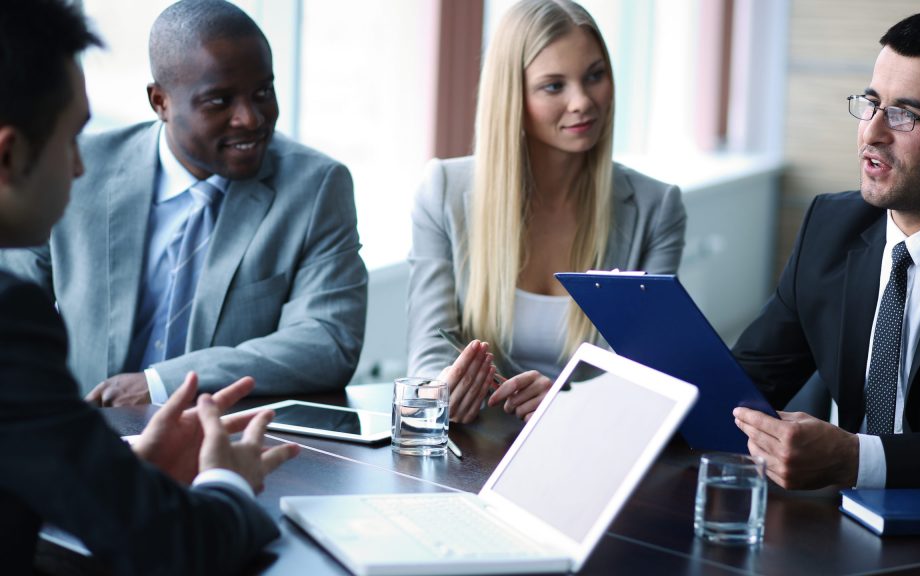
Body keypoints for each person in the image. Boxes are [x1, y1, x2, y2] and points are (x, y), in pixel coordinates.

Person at [0, 0, 299, 573]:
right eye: (71, 142)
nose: (81, 169)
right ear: (10, 155)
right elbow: (173, 545)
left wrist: (119, 471)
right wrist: (226, 481)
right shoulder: (8, 319)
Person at [0, 0, 367, 407]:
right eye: (220, 101)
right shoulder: (73, 169)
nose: (251, 118)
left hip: (226, 442)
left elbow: (327, 341)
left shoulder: (316, 185)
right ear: (160, 102)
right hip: (82, 435)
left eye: (263, 92)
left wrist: (160, 383)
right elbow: (12, 314)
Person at [732, 9, 920, 492]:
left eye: (904, 114)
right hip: (834, 526)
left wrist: (855, 459)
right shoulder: (830, 226)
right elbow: (745, 386)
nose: (872, 132)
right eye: (870, 102)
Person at [406, 0, 686, 423]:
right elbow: (428, 353)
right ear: (512, 96)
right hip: (480, 443)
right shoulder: (444, 191)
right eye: (554, 86)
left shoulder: (656, 207)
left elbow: (651, 375)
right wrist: (445, 387)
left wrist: (568, 399)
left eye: (595, 76)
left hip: (593, 442)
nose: (582, 102)